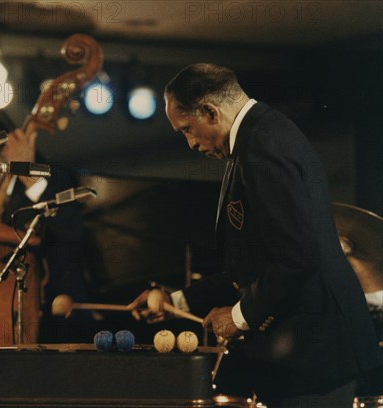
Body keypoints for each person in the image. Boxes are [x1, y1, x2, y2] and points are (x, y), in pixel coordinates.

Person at [129, 63, 382, 406]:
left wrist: (238, 317)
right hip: (303, 354)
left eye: (187, 129)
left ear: (210, 111)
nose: (189, 143)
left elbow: (298, 256)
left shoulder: (265, 145)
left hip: (317, 355)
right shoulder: (253, 140)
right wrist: (178, 301)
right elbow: (252, 263)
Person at [0, 117, 90, 344]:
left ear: (5, 150)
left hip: (54, 319)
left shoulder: (52, 177)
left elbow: (70, 231)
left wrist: (29, 178)